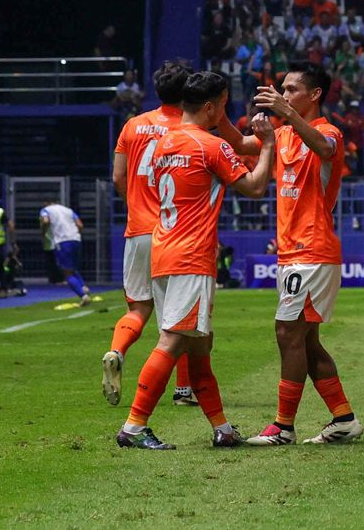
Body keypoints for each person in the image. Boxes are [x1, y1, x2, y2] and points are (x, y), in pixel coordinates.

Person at [116, 71, 275, 450]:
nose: (224, 112)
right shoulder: (210, 146)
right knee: (173, 340)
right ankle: (134, 426)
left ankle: (222, 429)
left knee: (199, 347)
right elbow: (255, 187)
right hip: (191, 255)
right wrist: (268, 144)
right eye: (223, 105)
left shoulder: (162, 144)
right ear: (209, 107)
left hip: (162, 249)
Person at [218, 63, 364, 446]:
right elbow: (241, 145)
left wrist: (286, 114)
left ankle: (283, 427)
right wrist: (218, 114)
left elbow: (326, 148)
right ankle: (344, 419)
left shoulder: (328, 131)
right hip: (293, 251)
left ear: (314, 95)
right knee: (306, 341)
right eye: (282, 89)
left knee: (287, 333)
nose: (283, 95)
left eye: (291, 89)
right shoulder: (282, 135)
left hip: (312, 249)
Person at [106, 61, 196, 408]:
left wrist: (135, 204)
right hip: (174, 232)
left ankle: (117, 351)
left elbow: (118, 177)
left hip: (138, 231)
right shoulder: (188, 129)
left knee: (138, 308)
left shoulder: (133, 125)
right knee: (180, 316)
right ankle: (183, 389)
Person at [40, 199, 90, 306]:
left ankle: (83, 296)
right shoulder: (69, 210)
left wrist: (43, 232)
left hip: (62, 241)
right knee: (73, 267)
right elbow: (80, 225)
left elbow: (45, 221)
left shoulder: (45, 210)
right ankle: (83, 287)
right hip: (76, 239)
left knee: (67, 272)